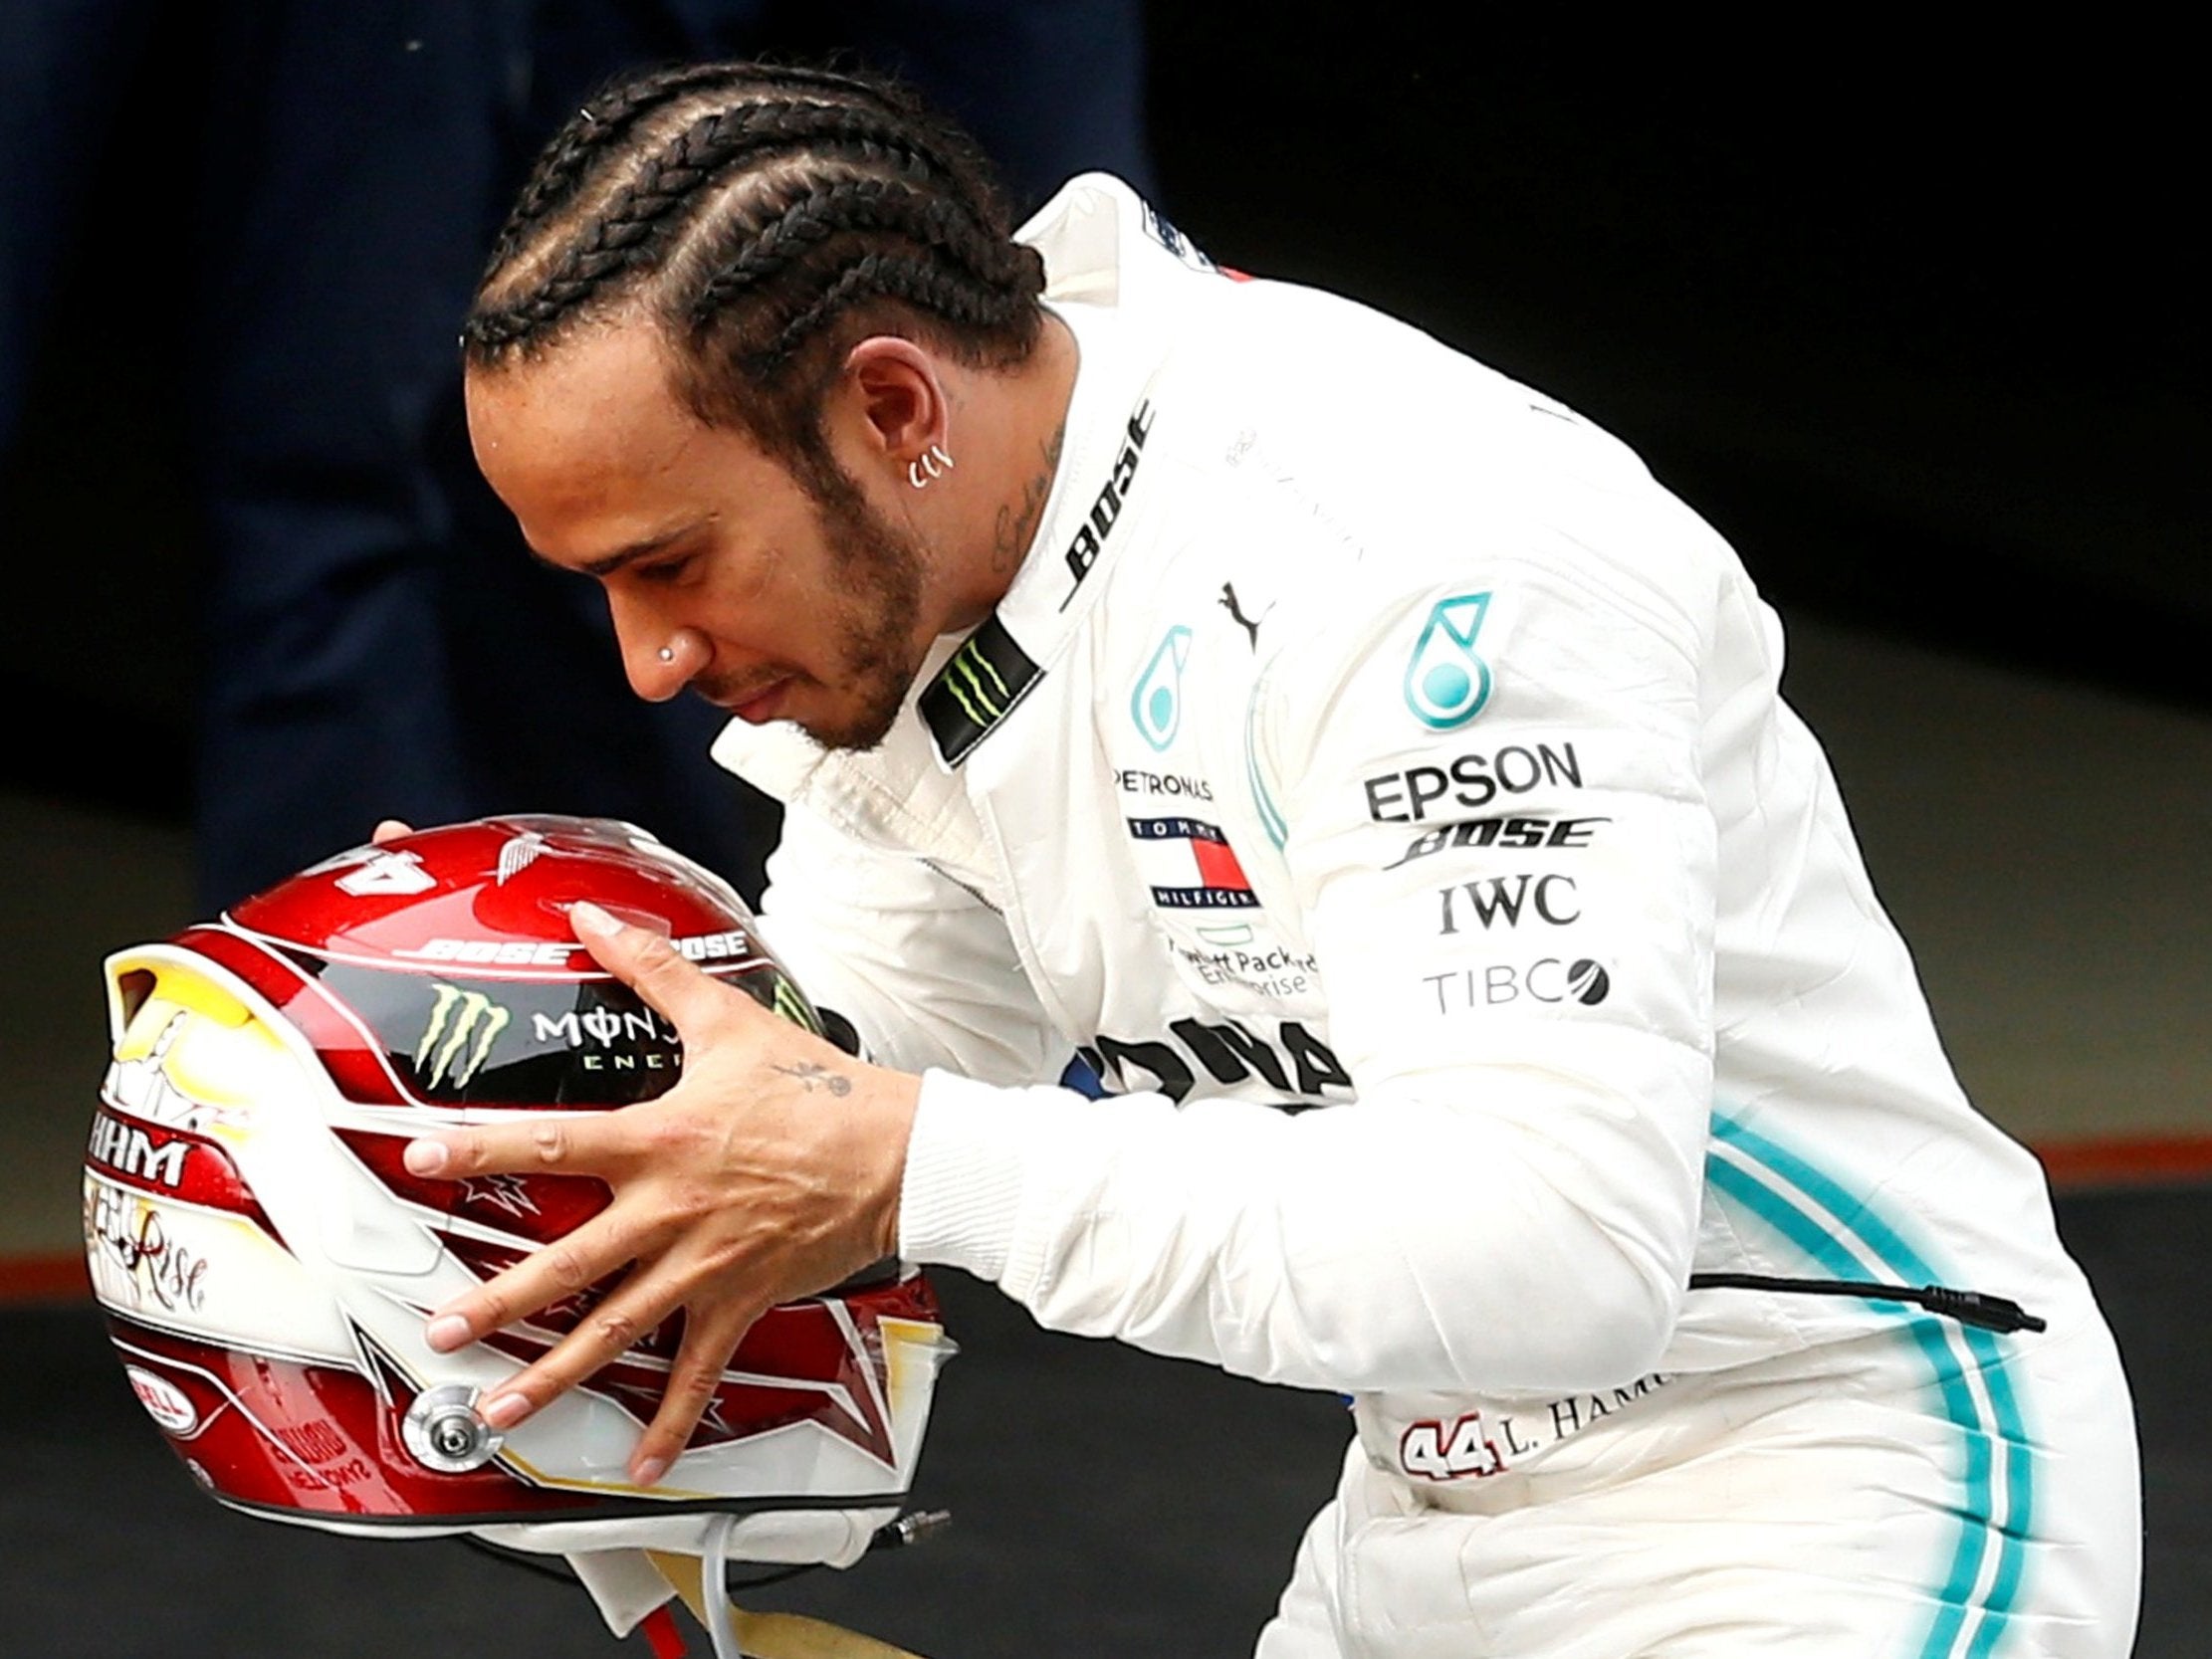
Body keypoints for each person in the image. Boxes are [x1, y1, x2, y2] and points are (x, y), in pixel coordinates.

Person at [395, 58, 2142, 1656]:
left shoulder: (1407, 557)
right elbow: (843, 1077)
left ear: (889, 407)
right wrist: (435, 1083)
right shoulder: (930, 566)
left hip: (1836, 1483)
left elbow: (1549, 1256)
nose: (648, 661)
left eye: (670, 562)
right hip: (1425, 1509)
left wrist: (917, 1162)